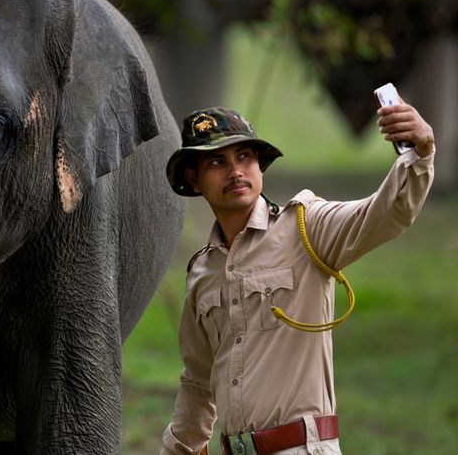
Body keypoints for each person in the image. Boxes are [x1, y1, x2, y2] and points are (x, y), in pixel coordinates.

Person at [160, 103, 434, 455]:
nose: (235, 171)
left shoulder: (306, 228)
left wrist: (421, 151)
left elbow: (388, 211)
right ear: (194, 178)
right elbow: (198, 382)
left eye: (244, 156)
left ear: (259, 165)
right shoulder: (202, 271)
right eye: (216, 161)